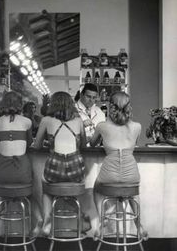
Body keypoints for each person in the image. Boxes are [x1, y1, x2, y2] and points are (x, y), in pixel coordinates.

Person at [0, 91, 43, 238]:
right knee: (29, 193)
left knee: (4, 193)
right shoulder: (27, 122)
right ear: (20, 105)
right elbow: (29, 144)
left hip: (2, 171)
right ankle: (39, 219)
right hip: (21, 170)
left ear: (2, 104)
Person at [90, 91, 148, 239]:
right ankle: (139, 225)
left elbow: (92, 143)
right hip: (131, 173)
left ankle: (103, 218)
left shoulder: (102, 126)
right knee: (131, 192)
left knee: (96, 188)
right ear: (129, 107)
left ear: (111, 107)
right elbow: (134, 144)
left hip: (108, 175)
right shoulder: (137, 126)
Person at [33, 91, 89, 235]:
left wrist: (49, 143)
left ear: (53, 104)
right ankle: (81, 217)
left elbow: (37, 146)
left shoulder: (46, 120)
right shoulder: (78, 120)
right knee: (74, 185)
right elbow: (83, 146)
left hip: (54, 168)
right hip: (76, 170)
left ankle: (47, 220)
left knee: (46, 186)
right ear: (71, 104)